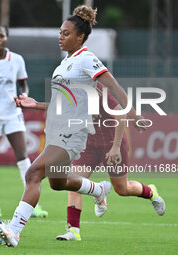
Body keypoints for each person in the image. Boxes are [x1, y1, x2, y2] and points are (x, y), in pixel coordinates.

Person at [0, 5, 164, 248]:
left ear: (80, 36)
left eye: (66, 33)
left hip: (73, 134)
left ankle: (14, 231)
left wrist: (133, 115)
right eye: (60, 32)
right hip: (58, 130)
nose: (60, 37)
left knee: (33, 174)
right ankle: (98, 190)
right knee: (57, 182)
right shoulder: (64, 65)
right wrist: (35, 104)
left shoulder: (87, 59)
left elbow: (114, 87)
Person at [56, 82, 166, 241]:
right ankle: (73, 231)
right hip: (89, 145)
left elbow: (120, 114)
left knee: (122, 189)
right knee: (74, 183)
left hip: (112, 143)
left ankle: (151, 192)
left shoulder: (97, 90)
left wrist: (115, 147)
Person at [0, 24, 48, 218]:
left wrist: (24, 96)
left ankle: (32, 206)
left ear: (7, 38)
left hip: (12, 115)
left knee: (23, 158)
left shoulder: (17, 60)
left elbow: (23, 84)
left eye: (1, 35)